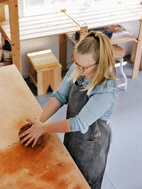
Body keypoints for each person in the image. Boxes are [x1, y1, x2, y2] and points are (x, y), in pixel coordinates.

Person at [19, 30, 118, 189]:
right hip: (73, 135)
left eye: (82, 67)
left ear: (100, 64)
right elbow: (59, 96)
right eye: (75, 62)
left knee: (84, 182)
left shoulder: (106, 90)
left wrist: (44, 129)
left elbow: (78, 123)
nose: (76, 69)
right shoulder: (79, 68)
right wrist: (40, 121)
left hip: (91, 145)